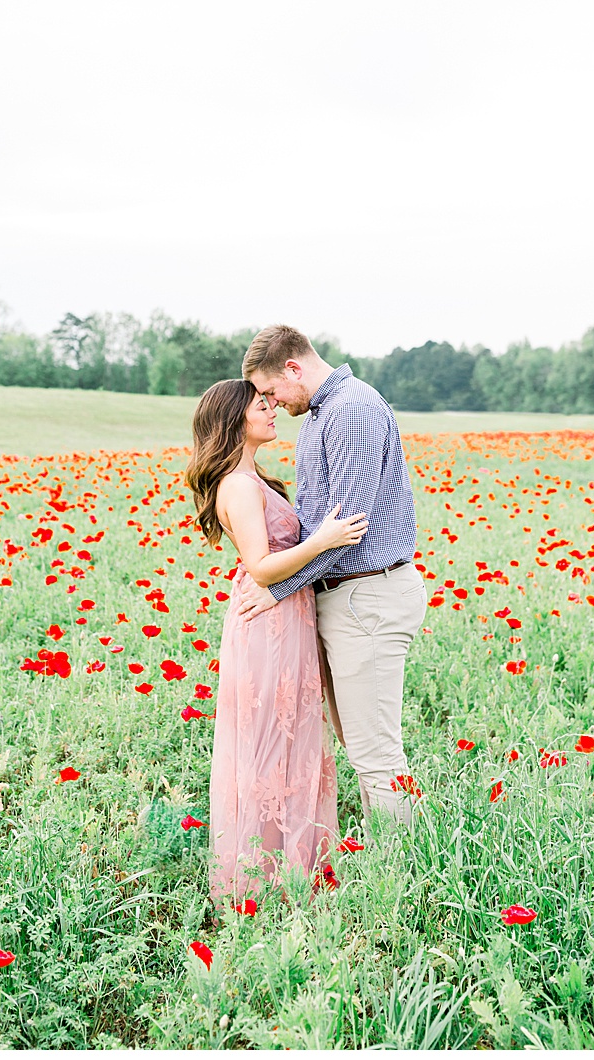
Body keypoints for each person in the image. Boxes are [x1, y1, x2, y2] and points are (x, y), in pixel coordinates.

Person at [235, 325, 426, 833]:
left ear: (293, 368)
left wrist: (276, 588)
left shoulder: (352, 411)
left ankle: (403, 872)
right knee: (363, 747)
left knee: (376, 753)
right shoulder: (325, 413)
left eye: (272, 391)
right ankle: (393, 862)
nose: (272, 403)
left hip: (369, 593)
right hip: (349, 597)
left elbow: (345, 530)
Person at [188, 379, 364, 898]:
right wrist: (324, 540)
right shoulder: (238, 486)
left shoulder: (251, 477)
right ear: (233, 419)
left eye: (270, 401)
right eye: (259, 405)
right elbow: (261, 568)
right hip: (267, 622)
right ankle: (260, 882)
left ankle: (293, 870)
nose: (271, 411)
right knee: (270, 740)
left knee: (291, 738)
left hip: (287, 617)